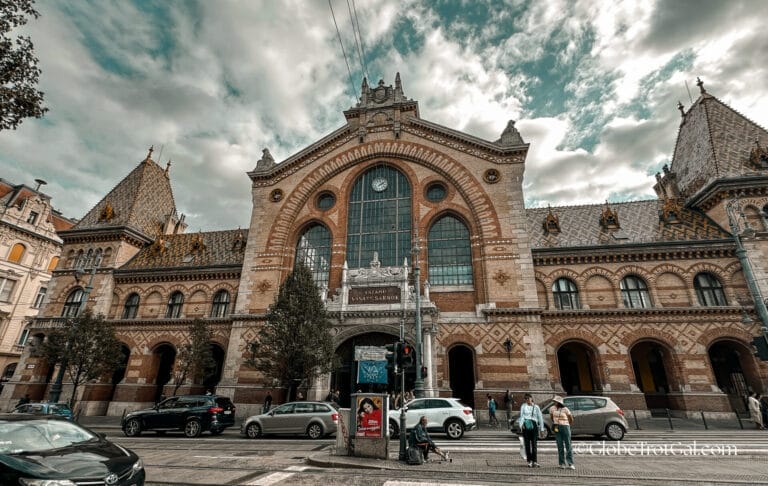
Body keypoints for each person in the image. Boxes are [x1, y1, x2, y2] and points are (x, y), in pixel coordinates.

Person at [519, 393, 544, 467]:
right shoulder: (523, 406)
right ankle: (529, 461)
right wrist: (521, 425)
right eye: (526, 398)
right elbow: (522, 416)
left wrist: (542, 429)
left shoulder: (536, 407)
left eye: (528, 398)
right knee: (527, 444)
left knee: (534, 444)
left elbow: (540, 418)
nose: (527, 400)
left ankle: (535, 461)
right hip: (526, 425)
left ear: (531, 398)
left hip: (534, 425)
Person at [550, 395, 575, 469]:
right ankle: (561, 463)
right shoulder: (552, 408)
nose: (554, 402)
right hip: (557, 427)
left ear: (559, 402)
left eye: (555, 401)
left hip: (565, 427)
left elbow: (571, 419)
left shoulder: (565, 409)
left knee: (568, 445)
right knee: (559, 445)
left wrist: (566, 424)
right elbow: (551, 417)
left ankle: (570, 463)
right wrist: (556, 423)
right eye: (554, 401)